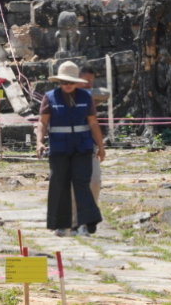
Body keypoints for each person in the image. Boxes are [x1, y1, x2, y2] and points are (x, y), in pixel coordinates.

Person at [35, 61, 105, 237]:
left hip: (83, 147)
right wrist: (39, 142)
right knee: (60, 186)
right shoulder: (49, 97)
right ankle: (62, 225)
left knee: (87, 184)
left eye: (71, 82)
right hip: (60, 149)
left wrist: (101, 146)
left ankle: (83, 224)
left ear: (76, 82)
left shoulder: (86, 97)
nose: (68, 85)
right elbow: (43, 122)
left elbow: (93, 123)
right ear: (59, 81)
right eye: (64, 82)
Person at [72, 65, 106, 235]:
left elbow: (105, 93)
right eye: (86, 82)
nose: (90, 85)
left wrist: (101, 146)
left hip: (89, 147)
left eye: (92, 82)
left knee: (94, 183)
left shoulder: (90, 98)